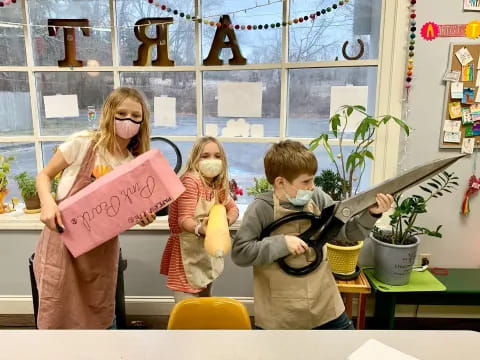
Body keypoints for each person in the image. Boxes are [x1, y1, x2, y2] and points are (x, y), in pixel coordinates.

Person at [231, 140, 393, 330]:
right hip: (279, 311)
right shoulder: (261, 208)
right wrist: (282, 243)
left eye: (313, 180)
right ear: (280, 182)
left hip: (323, 304)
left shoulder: (317, 198)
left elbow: (348, 233)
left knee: (346, 348)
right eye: (306, 181)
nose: (312, 186)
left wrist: (372, 214)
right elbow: (240, 253)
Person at [34, 87, 156, 329]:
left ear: (142, 122)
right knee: (56, 315)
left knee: (98, 318)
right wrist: (48, 203)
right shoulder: (82, 144)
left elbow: (119, 214)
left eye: (135, 116)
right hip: (62, 245)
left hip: (100, 254)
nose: (128, 120)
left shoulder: (133, 165)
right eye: (121, 113)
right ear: (109, 113)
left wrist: (141, 216)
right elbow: (44, 175)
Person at [161, 136, 239, 303]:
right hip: (186, 253)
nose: (212, 160)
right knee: (187, 307)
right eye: (205, 156)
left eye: (217, 156)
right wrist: (200, 229)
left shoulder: (217, 184)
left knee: (205, 303)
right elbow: (184, 219)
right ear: (195, 159)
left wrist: (224, 222)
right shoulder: (191, 181)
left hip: (205, 254)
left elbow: (233, 209)